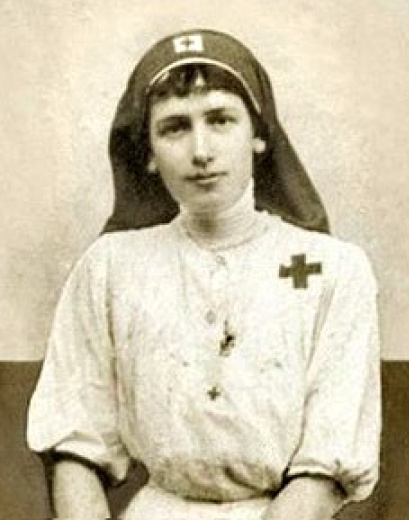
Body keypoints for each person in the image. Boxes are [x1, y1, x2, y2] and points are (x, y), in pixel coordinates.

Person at [27, 29, 381, 520]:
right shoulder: (109, 268)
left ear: (258, 134)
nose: (200, 151)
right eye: (174, 128)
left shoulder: (334, 271)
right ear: (148, 152)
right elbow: (76, 444)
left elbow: (325, 469)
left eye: (220, 120)